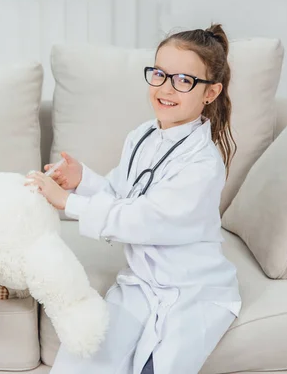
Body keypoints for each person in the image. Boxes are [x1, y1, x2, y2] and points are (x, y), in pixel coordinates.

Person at [27, 24, 240, 374]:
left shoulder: (203, 164)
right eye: (159, 74)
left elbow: (146, 219)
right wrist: (84, 181)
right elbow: (121, 194)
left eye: (183, 80)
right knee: (81, 362)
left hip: (193, 290)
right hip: (142, 283)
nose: (166, 88)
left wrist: (69, 204)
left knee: (156, 367)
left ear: (210, 92)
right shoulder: (142, 135)